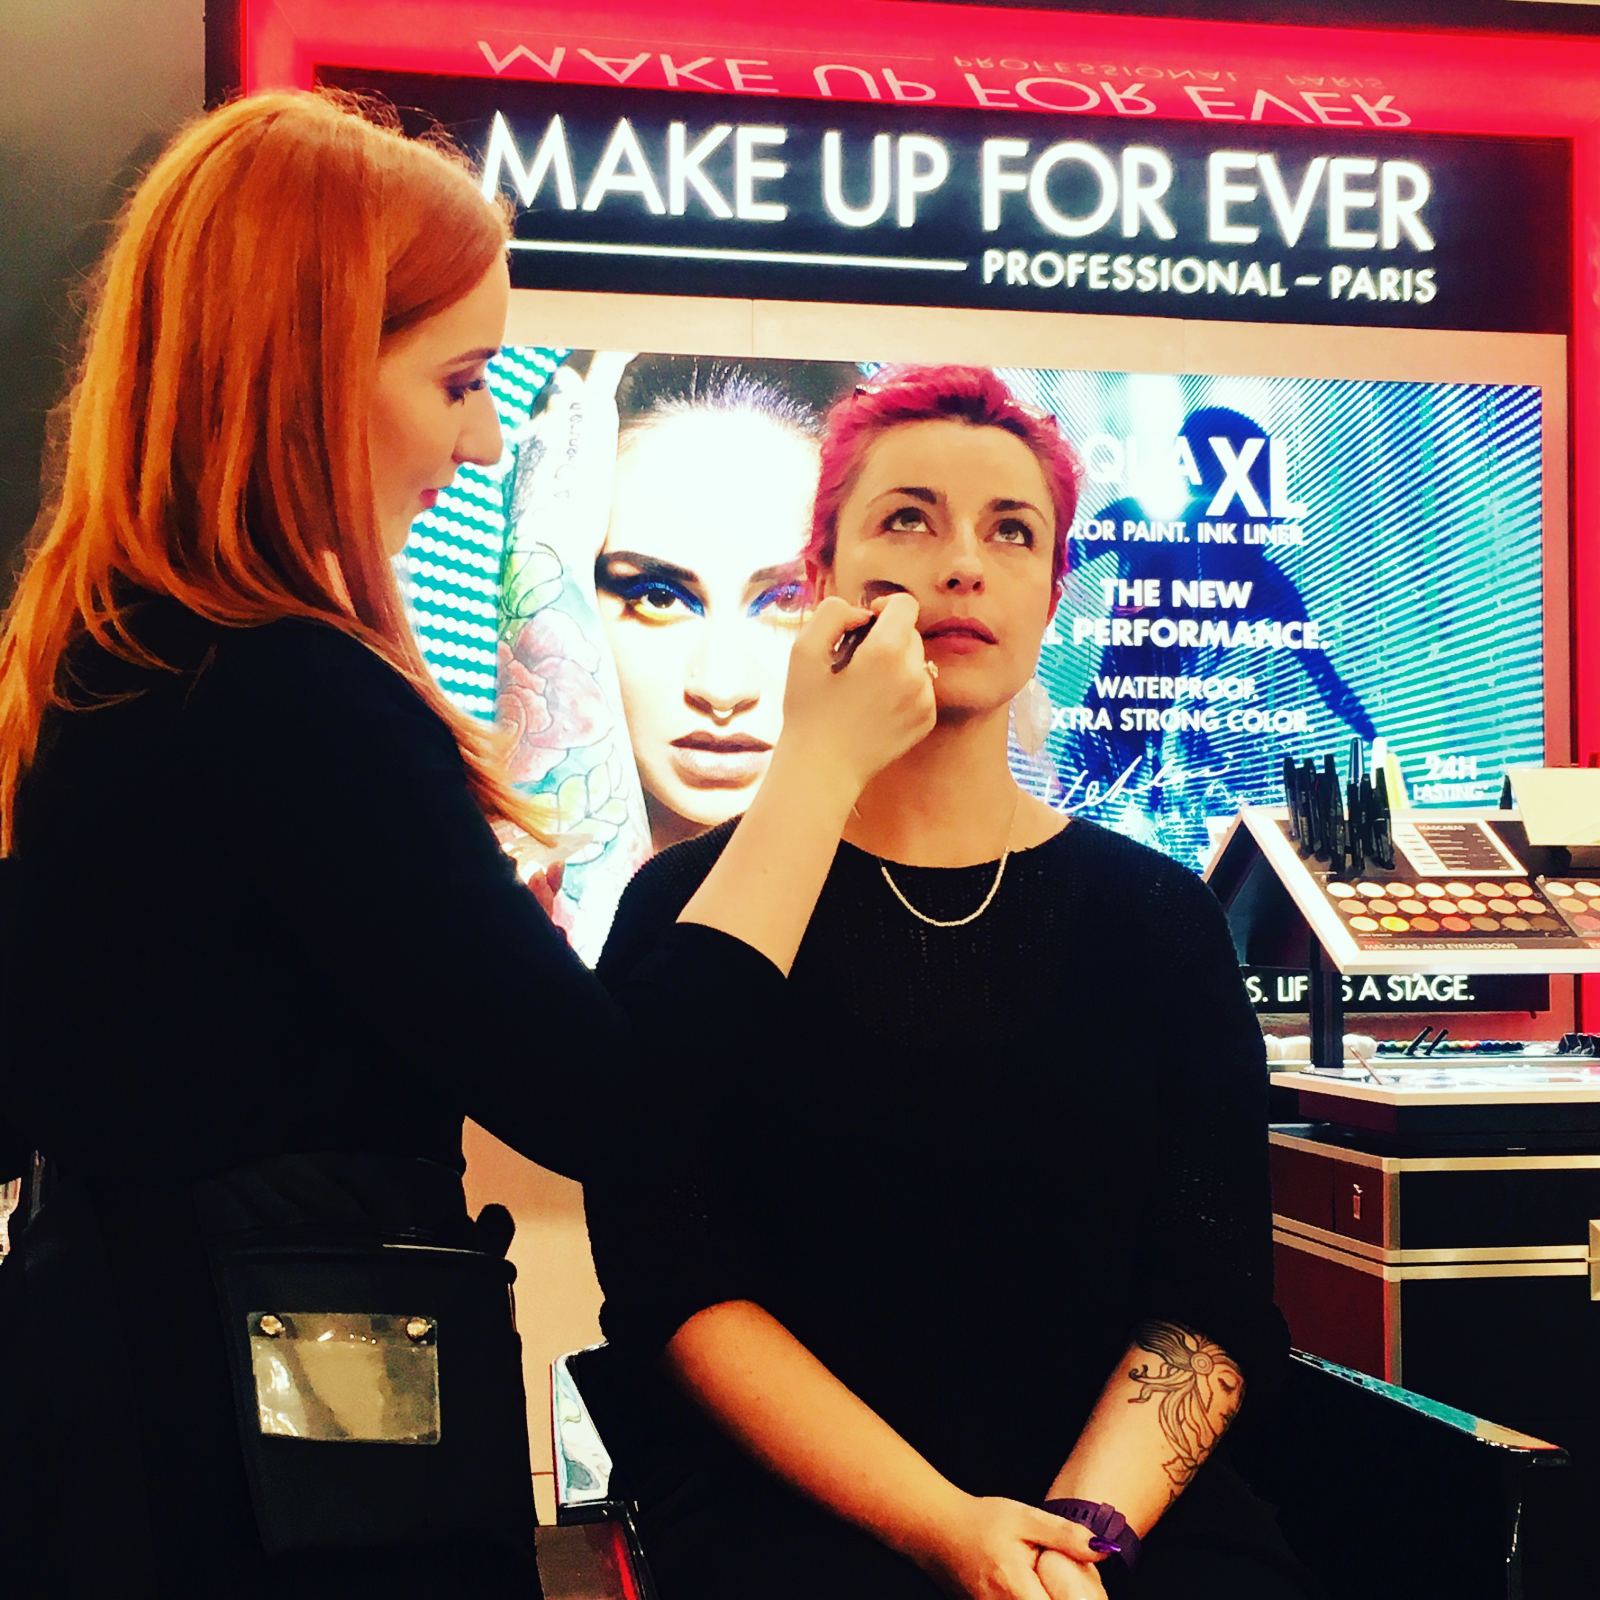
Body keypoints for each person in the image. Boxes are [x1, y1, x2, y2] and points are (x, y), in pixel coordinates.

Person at [0, 91, 935, 1596]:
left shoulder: (103, 666)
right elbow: (615, 1100)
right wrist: (818, 769)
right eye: (457, 381)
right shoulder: (293, 696)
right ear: (307, 370)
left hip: (120, 1436)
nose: (484, 438)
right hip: (270, 1488)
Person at [585, 365, 1318, 1600]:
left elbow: (1214, 1296)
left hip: (1121, 1529)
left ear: (1052, 593)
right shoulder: (689, 912)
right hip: (800, 1520)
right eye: (909, 520)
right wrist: (945, 1529)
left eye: (1010, 531)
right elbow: (677, 1284)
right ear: (822, 576)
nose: (963, 565)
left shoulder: (1159, 920)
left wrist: (1075, 1540)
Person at [497, 353, 858, 959]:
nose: (722, 687)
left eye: (788, 599)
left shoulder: (934, 919)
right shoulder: (442, 896)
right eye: (658, 597)